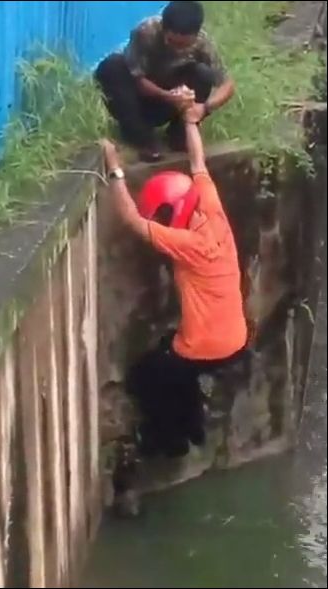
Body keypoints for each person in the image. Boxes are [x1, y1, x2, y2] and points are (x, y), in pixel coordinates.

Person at [100, 116, 248, 458]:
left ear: (174, 213)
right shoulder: (211, 209)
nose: (161, 223)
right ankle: (195, 426)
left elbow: (132, 220)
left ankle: (168, 442)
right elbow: (198, 162)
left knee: (144, 379)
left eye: (163, 217)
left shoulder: (187, 243)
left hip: (203, 348)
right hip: (237, 339)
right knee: (174, 361)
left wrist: (114, 166)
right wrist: (189, 119)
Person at [95, 1, 235, 162]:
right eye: (172, 41)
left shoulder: (203, 44)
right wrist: (168, 96)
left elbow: (227, 85)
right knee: (112, 66)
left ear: (196, 36)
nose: (176, 49)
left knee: (202, 73)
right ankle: (141, 138)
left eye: (183, 45)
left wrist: (205, 108)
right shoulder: (145, 32)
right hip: (138, 99)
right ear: (163, 28)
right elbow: (139, 80)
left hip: (170, 99)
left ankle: (180, 134)